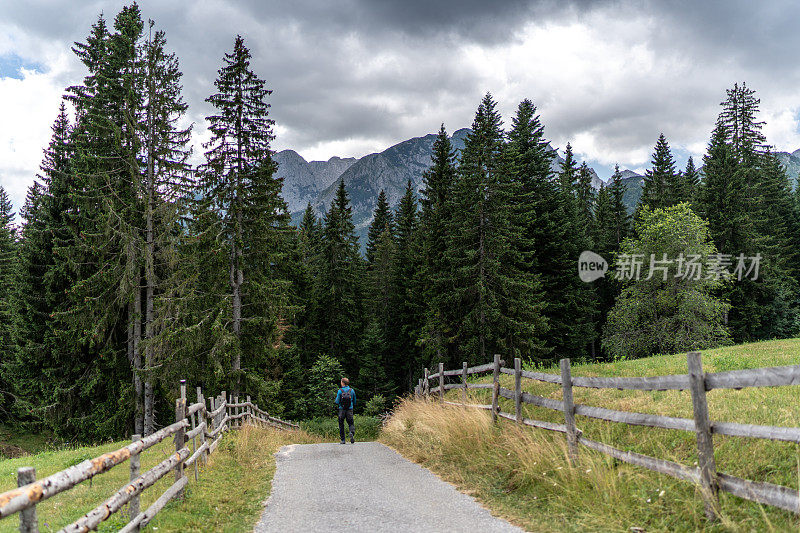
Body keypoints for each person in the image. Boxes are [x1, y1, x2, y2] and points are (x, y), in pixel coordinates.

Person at [335, 377, 356, 444]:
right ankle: (351, 433)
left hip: (342, 409)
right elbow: (354, 401)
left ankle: (343, 440)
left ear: (343, 383)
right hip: (350, 409)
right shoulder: (351, 390)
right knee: (351, 423)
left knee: (341, 424)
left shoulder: (340, 391)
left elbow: (337, 401)